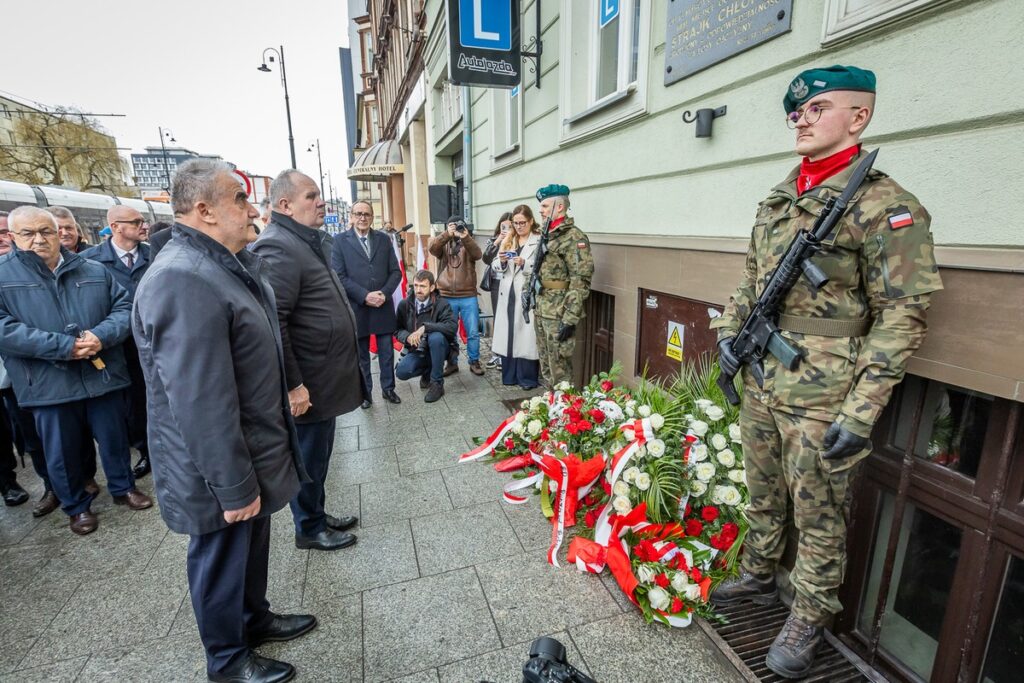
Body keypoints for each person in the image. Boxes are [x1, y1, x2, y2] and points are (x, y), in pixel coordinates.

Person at [708, 66, 944, 679]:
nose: (802, 119)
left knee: (818, 508)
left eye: (817, 108)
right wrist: (730, 340)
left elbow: (904, 315)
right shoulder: (780, 197)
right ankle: (761, 573)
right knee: (763, 488)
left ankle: (809, 613)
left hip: (823, 391)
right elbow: (749, 282)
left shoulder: (888, 205)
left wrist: (861, 409)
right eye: (797, 112)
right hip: (762, 375)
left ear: (858, 118)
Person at [133, 159, 314, 683]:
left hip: (247, 445)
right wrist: (234, 485)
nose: (251, 207)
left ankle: (253, 620)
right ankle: (228, 660)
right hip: (215, 462)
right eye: (239, 198)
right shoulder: (182, 278)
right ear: (204, 210)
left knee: (250, 544)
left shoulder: (222, 263)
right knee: (220, 555)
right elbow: (200, 399)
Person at [0, 206, 151, 536]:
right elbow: (4, 329)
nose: (40, 239)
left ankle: (123, 488)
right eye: (29, 233)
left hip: (102, 373)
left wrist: (101, 336)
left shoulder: (93, 268)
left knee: (114, 438)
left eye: (47, 231)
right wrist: (62, 346)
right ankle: (76, 506)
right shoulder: (2, 275)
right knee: (61, 450)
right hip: (47, 382)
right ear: (13, 237)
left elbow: (126, 308)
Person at [253, 170, 362, 552]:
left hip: (323, 378)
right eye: (311, 196)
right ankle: (309, 527)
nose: (321, 202)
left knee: (319, 454)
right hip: (308, 383)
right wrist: (293, 384)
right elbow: (274, 320)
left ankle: (316, 511)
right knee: (308, 457)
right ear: (285, 205)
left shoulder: (302, 239)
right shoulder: (278, 246)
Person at [80, 206, 153, 479]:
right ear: (115, 226)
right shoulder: (91, 261)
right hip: (117, 347)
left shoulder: (155, 255)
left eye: (143, 220)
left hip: (155, 343)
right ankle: (144, 451)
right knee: (130, 403)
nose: (143, 226)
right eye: (136, 222)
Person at [331, 200, 403, 409]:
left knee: (386, 353)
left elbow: (395, 272)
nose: (362, 218)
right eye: (358, 214)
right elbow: (339, 276)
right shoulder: (340, 241)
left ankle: (388, 389)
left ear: (372, 217)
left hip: (382, 304)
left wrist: (384, 293)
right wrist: (364, 296)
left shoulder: (383, 239)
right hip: (358, 307)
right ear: (352, 217)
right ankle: (366, 394)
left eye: (367, 214)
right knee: (361, 355)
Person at [534, 185, 594, 387]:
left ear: (559, 207)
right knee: (546, 366)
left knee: (560, 369)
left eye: (544, 206)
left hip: (559, 310)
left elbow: (580, 279)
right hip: (542, 308)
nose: (540, 210)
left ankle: (566, 411)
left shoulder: (573, 237)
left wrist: (569, 317)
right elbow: (537, 269)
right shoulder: (546, 233)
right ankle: (551, 407)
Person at [492, 205, 542, 390]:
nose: (519, 226)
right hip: (508, 292)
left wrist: (525, 263)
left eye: (523, 223)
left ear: (530, 222)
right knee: (509, 333)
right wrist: (503, 261)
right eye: (516, 223)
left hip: (526, 292)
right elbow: (495, 264)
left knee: (525, 335)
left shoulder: (537, 240)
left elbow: (542, 266)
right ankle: (509, 376)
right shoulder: (509, 239)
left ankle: (527, 378)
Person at [428, 215, 485, 376]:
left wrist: (464, 237)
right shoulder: (444, 243)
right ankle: (452, 362)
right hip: (446, 295)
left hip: (468, 294)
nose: (455, 228)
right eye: (452, 225)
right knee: (449, 332)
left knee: (472, 331)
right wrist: (447, 234)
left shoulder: (469, 242)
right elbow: (433, 249)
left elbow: (478, 254)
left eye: (458, 226)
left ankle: (474, 361)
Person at [394, 270, 458, 403]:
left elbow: (452, 328)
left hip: (441, 348)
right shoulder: (404, 305)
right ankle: (428, 371)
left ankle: (437, 384)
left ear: (432, 287)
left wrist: (425, 327)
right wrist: (407, 336)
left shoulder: (442, 304)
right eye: (416, 285)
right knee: (402, 372)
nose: (418, 290)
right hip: (418, 349)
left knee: (436, 337)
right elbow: (397, 329)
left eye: (422, 286)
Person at [481, 213, 512, 369]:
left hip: (511, 282)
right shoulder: (494, 240)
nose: (506, 229)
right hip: (496, 283)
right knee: (498, 316)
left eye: (509, 226)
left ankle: (507, 354)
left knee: (509, 318)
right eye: (503, 226)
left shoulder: (517, 241)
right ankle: (497, 353)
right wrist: (499, 240)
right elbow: (486, 258)